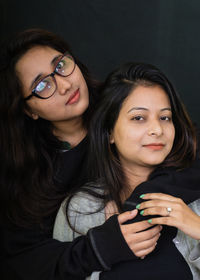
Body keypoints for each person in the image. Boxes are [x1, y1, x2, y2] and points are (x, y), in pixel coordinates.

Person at [0, 30, 162, 280]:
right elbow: (25, 262)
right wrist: (100, 247)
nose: (65, 85)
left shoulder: (121, 103)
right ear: (28, 109)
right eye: (43, 85)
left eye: (61, 65)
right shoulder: (25, 171)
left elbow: (184, 148)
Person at [53, 62, 200, 280]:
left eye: (165, 117)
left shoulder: (195, 199)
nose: (157, 130)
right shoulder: (79, 209)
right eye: (138, 118)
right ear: (109, 132)